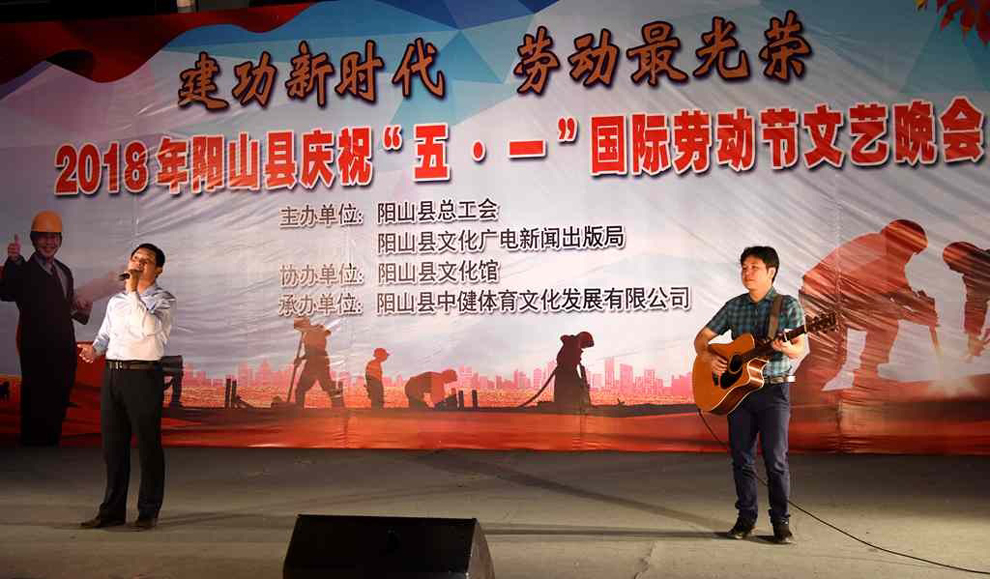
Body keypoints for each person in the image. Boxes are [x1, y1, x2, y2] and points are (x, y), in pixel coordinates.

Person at [693, 246, 806, 544]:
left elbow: (799, 348)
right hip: (739, 394)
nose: (747, 272)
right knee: (741, 458)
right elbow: (702, 338)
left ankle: (781, 522)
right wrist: (708, 357)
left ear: (771, 271)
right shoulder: (734, 306)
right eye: (744, 267)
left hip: (774, 391)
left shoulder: (787, 305)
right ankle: (746, 519)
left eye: (754, 267)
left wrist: (786, 347)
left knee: (775, 459)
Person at [78, 243, 175, 531]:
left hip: (143, 376)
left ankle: (148, 511)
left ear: (158, 270)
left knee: (147, 445)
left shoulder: (164, 300)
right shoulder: (116, 301)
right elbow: (106, 334)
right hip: (113, 375)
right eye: (135, 258)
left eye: (146, 261)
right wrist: (95, 350)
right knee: (113, 447)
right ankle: (112, 510)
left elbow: (148, 329)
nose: (138, 264)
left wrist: (133, 292)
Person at [794, 220, 936, 394]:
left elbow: (897, 286)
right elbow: (875, 297)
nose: (908, 257)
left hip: (833, 300)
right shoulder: (875, 247)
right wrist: (913, 312)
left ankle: (865, 376)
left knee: (883, 327)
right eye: (910, 250)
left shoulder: (885, 252)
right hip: (824, 299)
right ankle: (798, 395)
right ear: (901, 241)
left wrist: (919, 303)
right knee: (828, 359)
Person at [0, 210, 90, 446]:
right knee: (36, 411)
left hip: (64, 352)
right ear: (33, 239)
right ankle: (32, 458)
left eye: (54, 237)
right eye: (43, 237)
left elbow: (63, 309)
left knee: (57, 409)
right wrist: (13, 261)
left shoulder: (64, 271)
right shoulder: (24, 270)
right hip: (38, 354)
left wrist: (82, 307)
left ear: (60, 240)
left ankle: (50, 454)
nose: (49, 242)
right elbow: (7, 291)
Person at [943, 241, 990, 358]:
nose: (955, 270)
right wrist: (972, 336)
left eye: (955, 266)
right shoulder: (974, 280)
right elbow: (975, 305)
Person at [292, 321, 342, 408]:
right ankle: (338, 403)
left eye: (299, 329)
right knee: (326, 385)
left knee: (301, 388)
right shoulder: (311, 332)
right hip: (320, 360)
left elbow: (313, 351)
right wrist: (301, 359)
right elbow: (312, 351)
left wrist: (300, 359)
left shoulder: (311, 333)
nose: (299, 331)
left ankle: (299, 408)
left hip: (315, 362)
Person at [554, 331, 594, 411]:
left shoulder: (572, 346)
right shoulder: (571, 346)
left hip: (567, 373)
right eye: (584, 346)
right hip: (566, 376)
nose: (583, 348)